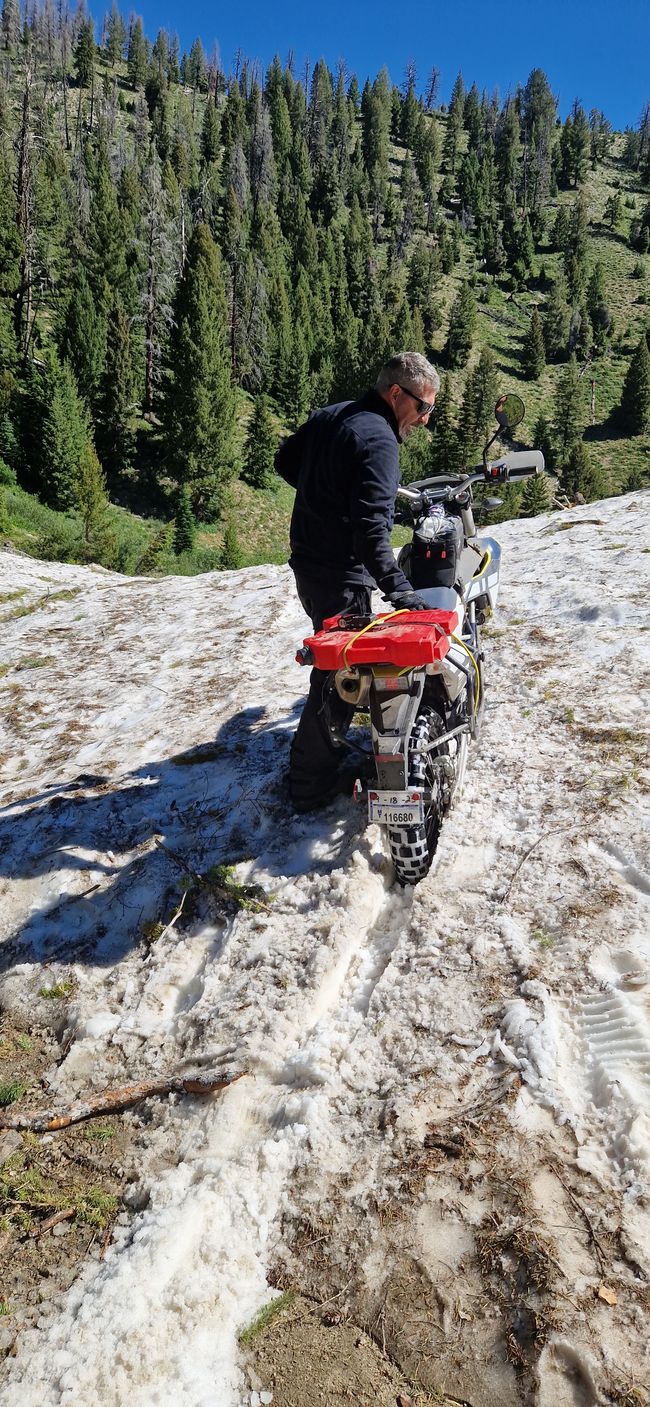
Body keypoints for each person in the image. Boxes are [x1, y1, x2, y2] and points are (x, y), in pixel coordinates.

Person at [275, 351, 440, 813]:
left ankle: (314, 768)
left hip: (308, 561)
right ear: (396, 394)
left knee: (335, 669)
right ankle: (309, 785)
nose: (425, 420)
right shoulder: (380, 442)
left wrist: (327, 495)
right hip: (339, 573)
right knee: (340, 677)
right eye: (423, 408)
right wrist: (403, 593)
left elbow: (285, 460)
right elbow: (372, 537)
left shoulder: (332, 416)